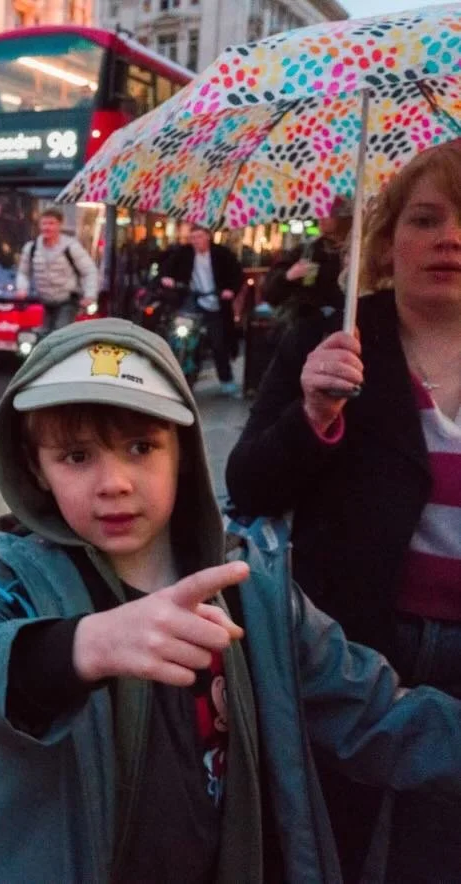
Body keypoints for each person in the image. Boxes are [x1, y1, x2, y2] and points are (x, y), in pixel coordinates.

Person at [0, 318, 461, 882]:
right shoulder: (22, 581)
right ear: (37, 469)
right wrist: (83, 646)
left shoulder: (253, 589)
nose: (114, 482)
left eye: (141, 447)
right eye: (77, 457)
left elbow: (373, 711)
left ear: (184, 451)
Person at [226, 140, 461, 882]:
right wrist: (312, 410)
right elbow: (249, 486)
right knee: (333, 840)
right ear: (387, 241)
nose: (450, 237)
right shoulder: (333, 340)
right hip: (351, 650)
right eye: (425, 218)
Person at [160, 226, 244, 396]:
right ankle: (176, 374)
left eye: (199, 237)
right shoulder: (184, 253)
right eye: (192, 237)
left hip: (214, 303)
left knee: (218, 342)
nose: (195, 241)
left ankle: (226, 380)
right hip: (191, 300)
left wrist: (230, 290)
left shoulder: (222, 254)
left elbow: (237, 274)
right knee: (178, 334)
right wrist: (167, 278)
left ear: (208, 237)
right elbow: (167, 267)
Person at [262, 195, 353, 327]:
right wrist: (288, 276)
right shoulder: (308, 250)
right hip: (308, 331)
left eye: (329, 213)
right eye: (320, 212)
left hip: (346, 324)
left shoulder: (359, 251)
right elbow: (270, 291)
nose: (322, 218)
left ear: (344, 218)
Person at [16, 209, 98, 335]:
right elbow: (23, 272)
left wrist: (90, 295)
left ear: (60, 225)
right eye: (44, 224)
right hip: (44, 301)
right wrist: (22, 288)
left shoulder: (71, 247)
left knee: (60, 332)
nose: (47, 227)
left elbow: (89, 271)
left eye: (51, 223)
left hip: (67, 300)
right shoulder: (31, 248)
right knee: (41, 334)